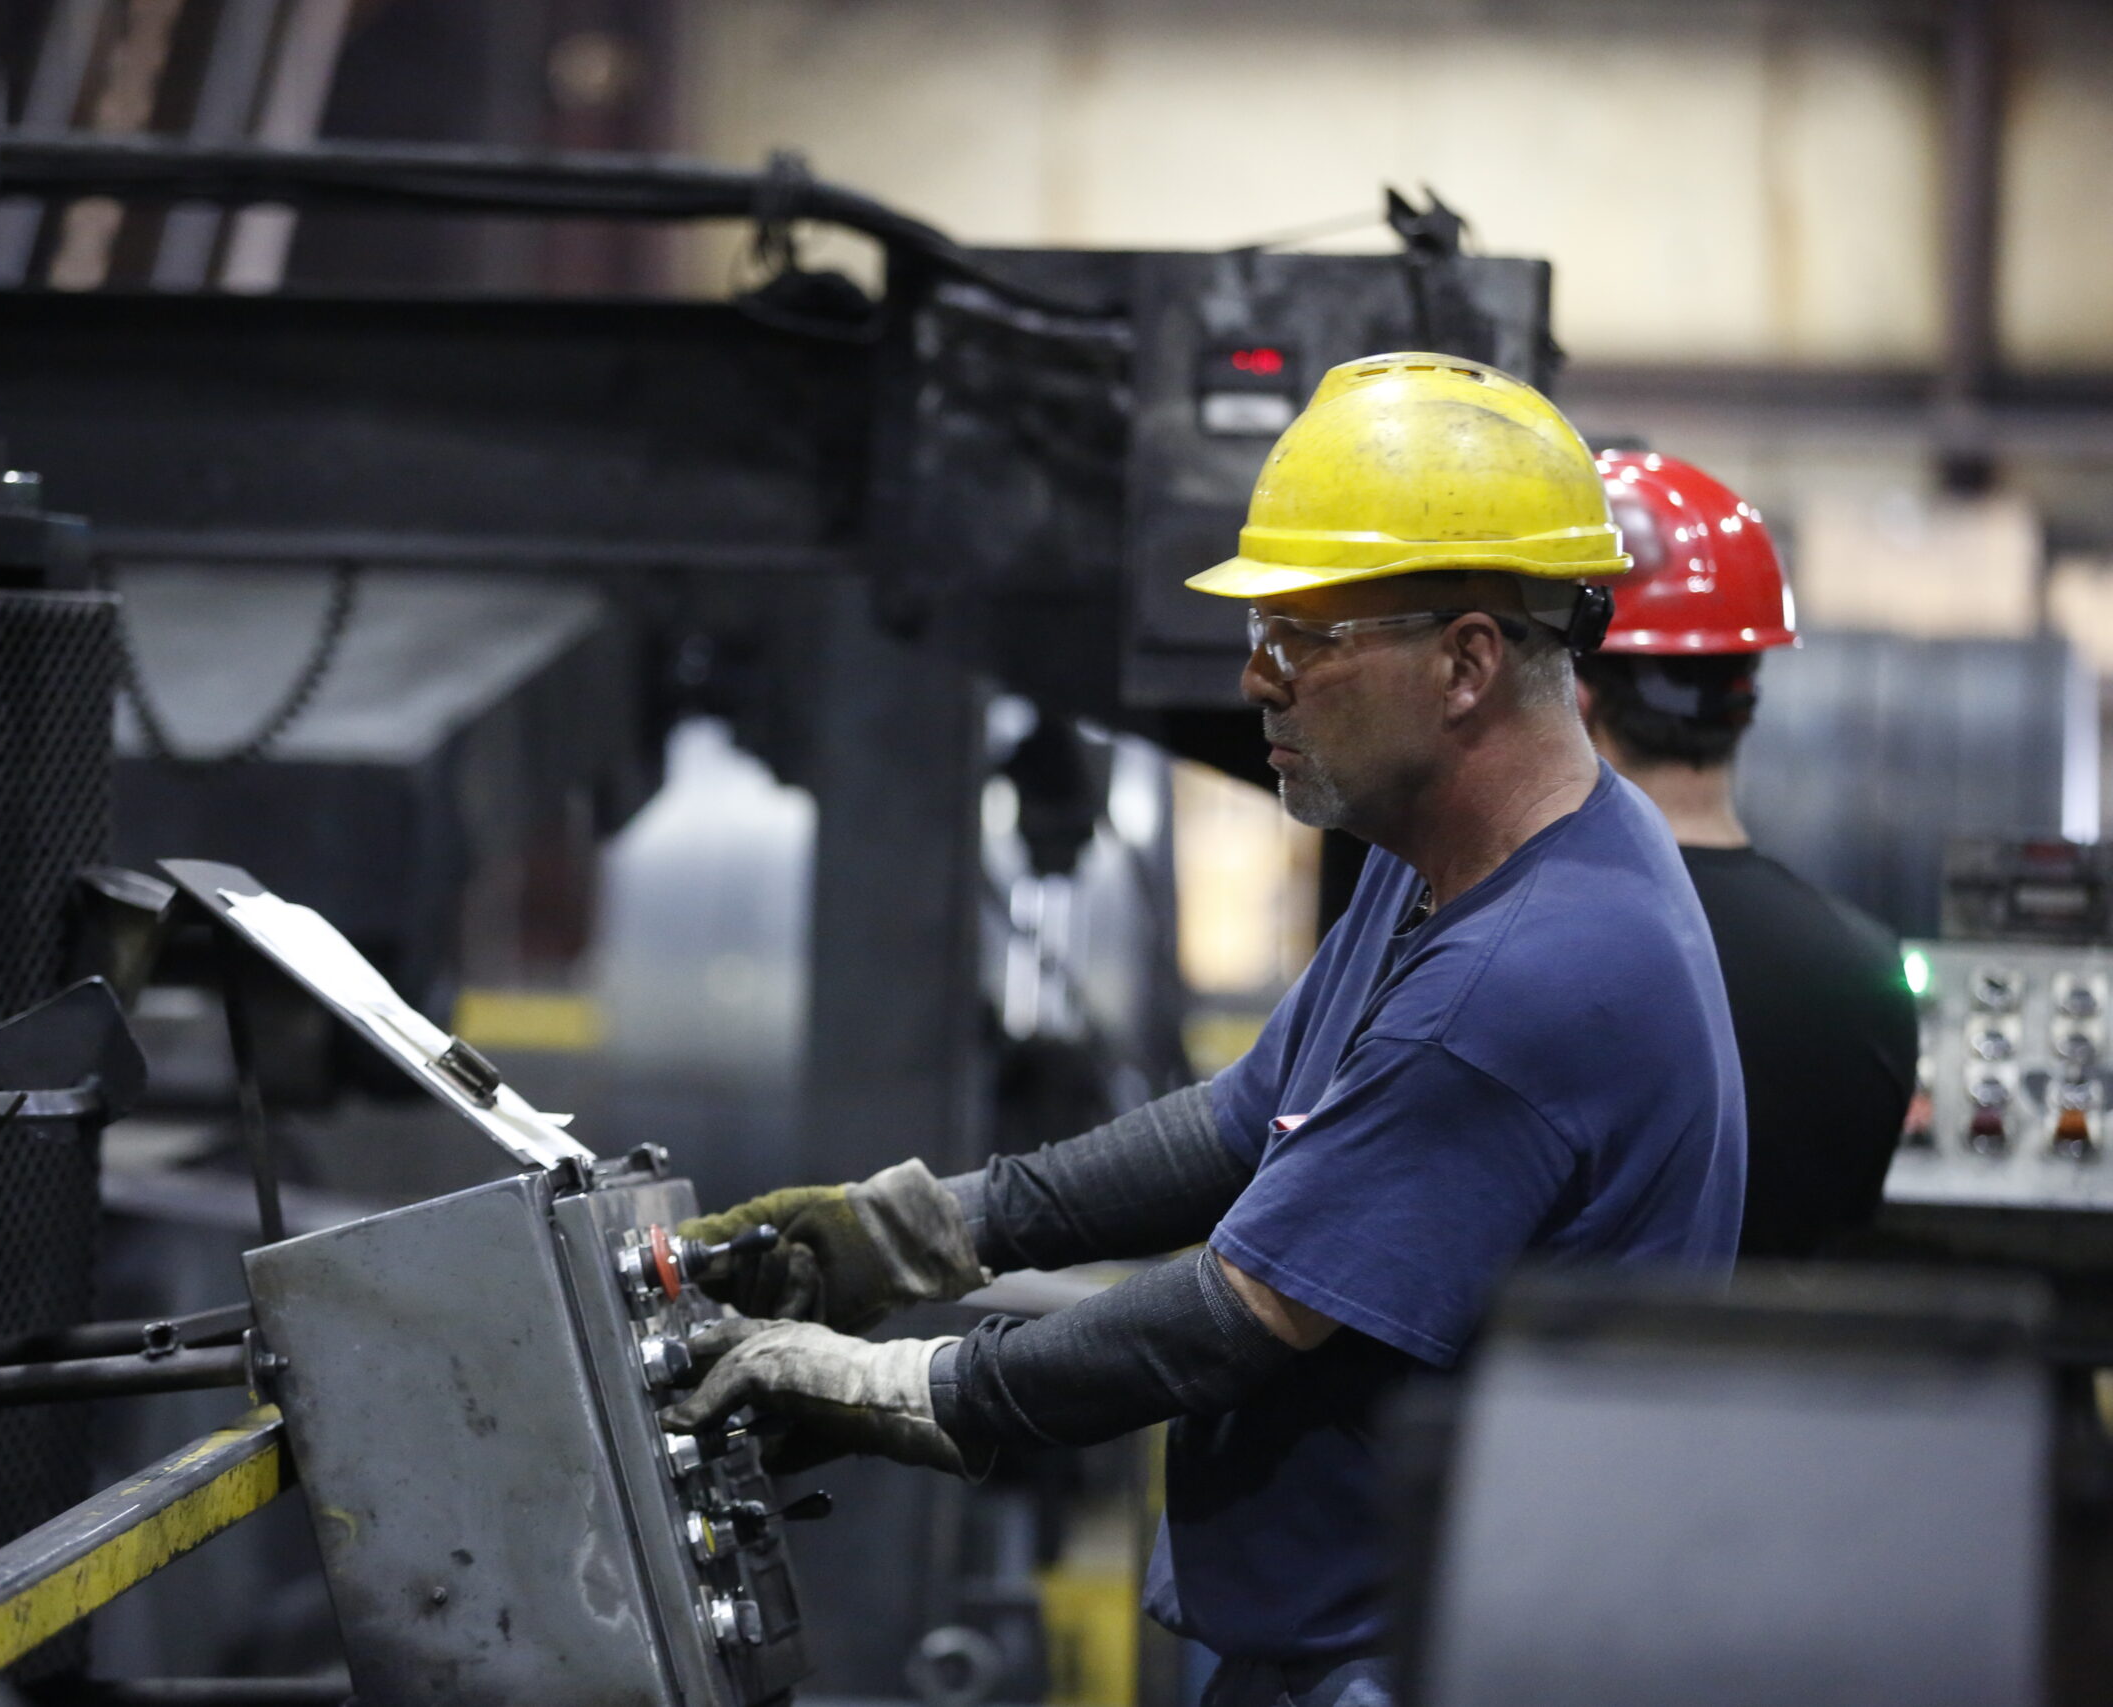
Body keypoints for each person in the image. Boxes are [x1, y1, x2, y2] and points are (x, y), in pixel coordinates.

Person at [664, 353, 1747, 1707]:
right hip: (1343, 1636)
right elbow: (1240, 1123)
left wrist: (890, 1390)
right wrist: (911, 1232)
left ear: (1467, 659)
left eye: (1303, 635)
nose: (1256, 678)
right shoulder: (1465, 856)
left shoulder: (1521, 981)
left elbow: (1230, 1320)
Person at [1581, 449, 1916, 1257]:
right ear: (1746, 692)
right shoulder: (1868, 971)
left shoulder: (1535, 954)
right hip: (1795, 1383)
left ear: (1575, 698)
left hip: (1563, 1381)